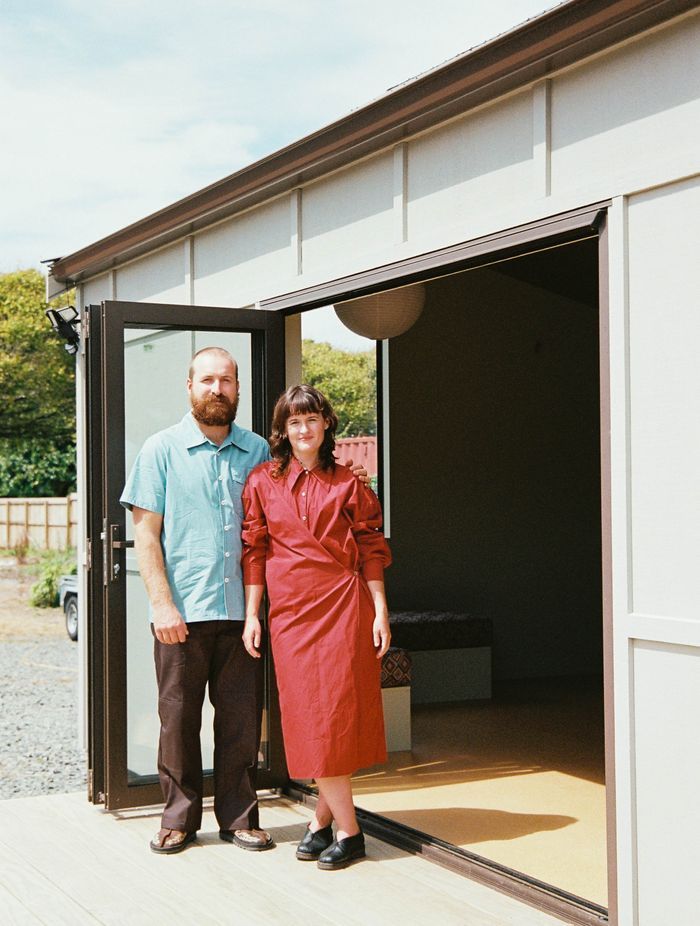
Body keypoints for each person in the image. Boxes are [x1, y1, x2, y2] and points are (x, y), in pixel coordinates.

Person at [120, 348, 368, 855]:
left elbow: (297, 501)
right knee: (178, 720)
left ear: (238, 388)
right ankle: (178, 820)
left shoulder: (258, 452)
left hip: (244, 614)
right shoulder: (161, 449)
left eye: (227, 381)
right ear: (189, 386)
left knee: (240, 722)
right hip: (183, 612)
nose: (217, 389)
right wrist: (162, 604)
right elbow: (145, 534)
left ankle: (239, 819)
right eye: (207, 380)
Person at [241, 384, 392, 870]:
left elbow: (371, 549)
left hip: (344, 607)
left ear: (326, 423)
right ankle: (329, 823)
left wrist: (380, 610)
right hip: (291, 614)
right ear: (282, 430)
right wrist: (252, 614)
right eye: (294, 422)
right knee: (310, 718)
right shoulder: (261, 482)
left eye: (311, 419)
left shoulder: (350, 483)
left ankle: (343, 829)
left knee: (337, 718)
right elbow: (254, 550)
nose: (304, 429)